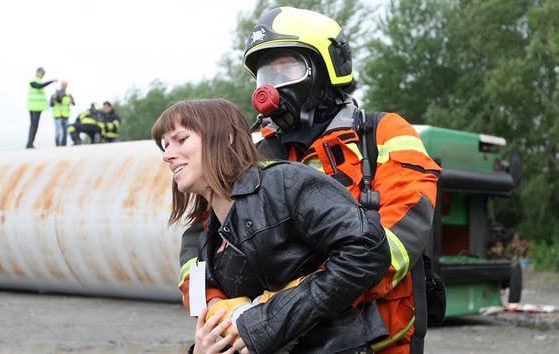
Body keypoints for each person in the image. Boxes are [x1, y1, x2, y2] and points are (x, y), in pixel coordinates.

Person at [177, 7, 442, 354]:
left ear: (329, 68)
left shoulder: (382, 135)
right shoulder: (251, 156)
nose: (269, 88)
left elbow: (394, 244)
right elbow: (198, 247)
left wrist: (284, 306)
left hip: (376, 342)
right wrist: (213, 309)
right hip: (271, 342)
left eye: (286, 68)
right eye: (264, 75)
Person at [152, 98, 391, 353]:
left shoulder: (284, 182)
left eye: (181, 139)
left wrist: (267, 322)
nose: (167, 155)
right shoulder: (207, 234)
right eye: (166, 146)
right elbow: (234, 328)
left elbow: (367, 251)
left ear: (226, 138)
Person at [26, 67, 56, 148]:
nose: (42, 76)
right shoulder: (33, 81)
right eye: (42, 74)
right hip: (34, 107)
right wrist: (51, 81)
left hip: (37, 107)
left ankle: (30, 143)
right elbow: (39, 86)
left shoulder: (38, 81)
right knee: (34, 125)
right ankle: (29, 143)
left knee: (35, 125)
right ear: (38, 72)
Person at [50, 80, 75, 146]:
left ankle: (64, 145)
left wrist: (71, 99)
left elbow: (73, 103)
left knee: (65, 132)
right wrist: (54, 98)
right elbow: (51, 104)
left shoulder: (68, 94)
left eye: (65, 85)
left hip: (65, 116)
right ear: (61, 85)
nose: (64, 86)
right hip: (57, 116)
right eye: (63, 85)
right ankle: (57, 145)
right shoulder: (55, 93)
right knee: (57, 132)